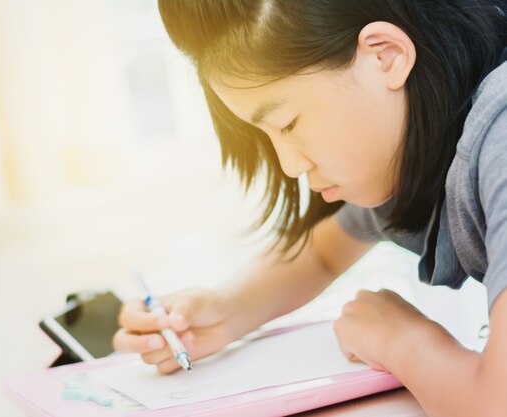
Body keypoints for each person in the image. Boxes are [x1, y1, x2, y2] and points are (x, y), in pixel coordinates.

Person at [113, 1, 507, 415]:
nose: (290, 165)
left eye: (287, 123)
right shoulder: (417, 146)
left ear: (385, 55)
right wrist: (225, 311)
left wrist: (401, 340)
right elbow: (323, 252)